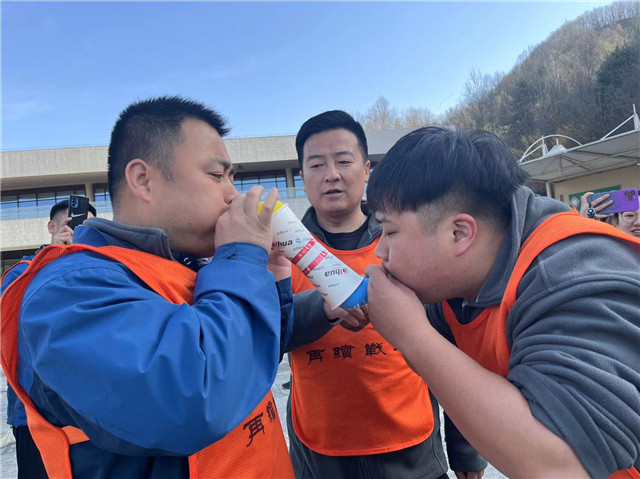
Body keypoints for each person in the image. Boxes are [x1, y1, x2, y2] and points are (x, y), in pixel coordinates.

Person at [0, 96, 294, 479]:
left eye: (232, 178)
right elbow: (194, 398)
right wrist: (241, 258)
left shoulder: (185, 265)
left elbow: (251, 363)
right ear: (143, 180)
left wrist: (271, 280)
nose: (231, 194)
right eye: (216, 175)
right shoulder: (67, 290)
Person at [364, 126, 640, 478]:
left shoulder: (570, 274)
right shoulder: (458, 280)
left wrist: (412, 335)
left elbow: (563, 466)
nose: (379, 251)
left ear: (459, 233)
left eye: (390, 232)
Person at [285, 111, 486, 479]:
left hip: (412, 450)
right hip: (321, 455)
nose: (331, 174)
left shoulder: (408, 244)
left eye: (343, 161)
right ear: (302, 178)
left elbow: (452, 343)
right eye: (316, 164)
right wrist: (323, 306)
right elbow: (266, 334)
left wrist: (467, 450)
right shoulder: (282, 254)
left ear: (366, 169)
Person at [2, 199, 96, 479]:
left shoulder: (100, 273)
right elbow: (14, 316)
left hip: (90, 413)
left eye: (88, 226)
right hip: (35, 415)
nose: (80, 230)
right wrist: (57, 255)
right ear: (52, 227)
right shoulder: (22, 271)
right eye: (73, 223)